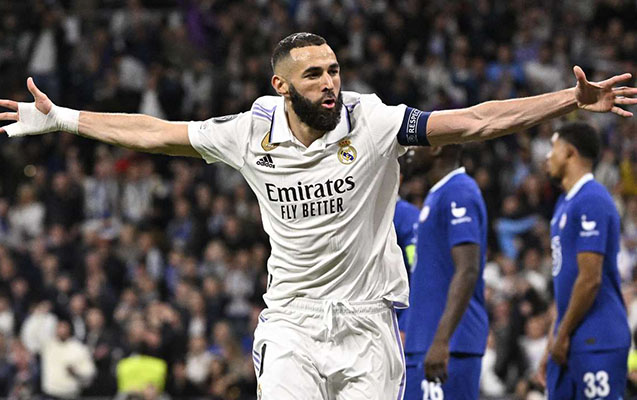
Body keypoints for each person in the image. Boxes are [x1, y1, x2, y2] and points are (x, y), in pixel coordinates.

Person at [1, 32, 636, 399]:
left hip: (368, 326)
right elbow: (154, 132)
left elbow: (475, 121)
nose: (330, 82)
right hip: (292, 325)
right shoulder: (249, 132)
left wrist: (568, 101)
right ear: (282, 86)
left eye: (334, 70)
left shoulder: (374, 120)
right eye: (313, 75)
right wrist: (63, 119)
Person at [537, 122, 631, 399]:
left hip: (598, 338)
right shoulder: (564, 203)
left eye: (553, 148)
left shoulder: (593, 199)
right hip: (568, 339)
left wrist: (562, 334)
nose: (547, 156)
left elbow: (590, 279)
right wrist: (553, 339)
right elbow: (564, 282)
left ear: (570, 153)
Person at [401, 145, 488, 400]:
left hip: (449, 346)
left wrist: (441, 340)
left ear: (437, 148)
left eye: (418, 142)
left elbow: (468, 269)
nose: (410, 148)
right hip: (425, 342)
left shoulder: (459, 191)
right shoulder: (438, 194)